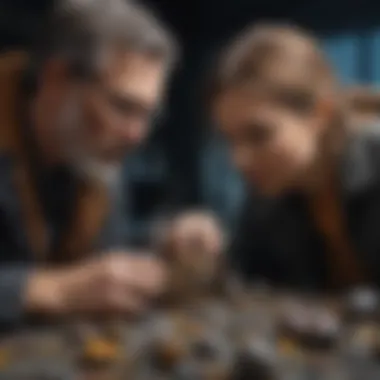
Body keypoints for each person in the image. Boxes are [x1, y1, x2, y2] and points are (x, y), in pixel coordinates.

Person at [0, 0, 221, 330]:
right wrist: (49, 290)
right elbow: (66, 282)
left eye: (149, 114)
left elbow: (96, 262)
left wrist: (164, 240)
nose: (137, 135)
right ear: (55, 77)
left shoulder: (90, 164)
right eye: (122, 106)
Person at [209, 23, 380, 292]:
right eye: (230, 140)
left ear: (319, 114)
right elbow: (246, 279)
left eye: (259, 135)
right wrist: (203, 256)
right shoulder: (268, 194)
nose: (239, 160)